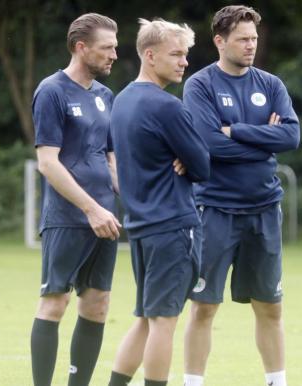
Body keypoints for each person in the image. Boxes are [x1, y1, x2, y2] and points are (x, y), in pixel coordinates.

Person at [182, 5, 300, 386]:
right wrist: (264, 142)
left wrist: (236, 131)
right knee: (204, 307)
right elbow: (207, 143)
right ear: (220, 41)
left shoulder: (271, 84)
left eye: (254, 38)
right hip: (213, 209)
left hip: (265, 209)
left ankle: (276, 381)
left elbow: (292, 137)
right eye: (243, 39)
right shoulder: (199, 85)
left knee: (271, 306)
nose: (251, 45)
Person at [107, 18, 210, 386]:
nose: (184, 61)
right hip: (172, 227)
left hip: (140, 227)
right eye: (176, 54)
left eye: (186, 54)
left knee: (146, 319)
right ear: (149, 56)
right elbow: (202, 165)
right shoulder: (168, 106)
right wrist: (187, 156)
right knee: (164, 322)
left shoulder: (121, 101)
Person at [30, 13, 120, 386]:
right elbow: (47, 163)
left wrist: (128, 198)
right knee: (56, 302)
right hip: (69, 217)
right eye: (107, 48)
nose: (114, 54)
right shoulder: (51, 91)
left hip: (106, 218)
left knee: (97, 306)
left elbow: (111, 158)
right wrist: (91, 208)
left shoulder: (105, 96)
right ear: (81, 48)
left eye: (115, 47)